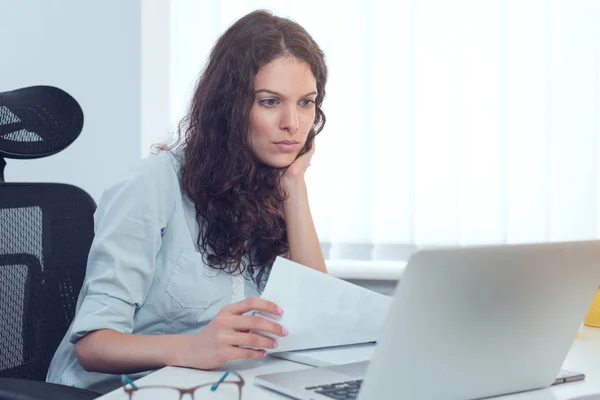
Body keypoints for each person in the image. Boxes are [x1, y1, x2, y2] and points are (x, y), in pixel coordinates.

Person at [46, 9, 328, 393]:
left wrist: (295, 185)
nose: (293, 123)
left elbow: (320, 314)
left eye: (306, 102)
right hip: (115, 390)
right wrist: (195, 347)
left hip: (214, 387)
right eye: (269, 101)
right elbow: (94, 347)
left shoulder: (270, 188)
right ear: (230, 106)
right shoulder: (154, 183)